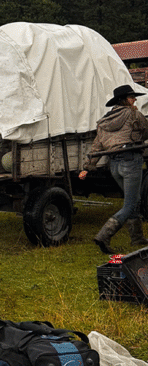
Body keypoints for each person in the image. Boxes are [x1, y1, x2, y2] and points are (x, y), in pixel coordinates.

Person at [79, 84, 148, 253]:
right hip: (131, 161)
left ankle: (137, 238)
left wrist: (88, 167)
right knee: (130, 204)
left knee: (134, 200)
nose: (135, 100)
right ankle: (104, 236)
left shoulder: (104, 121)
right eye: (132, 97)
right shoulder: (134, 114)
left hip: (114, 165)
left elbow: (96, 146)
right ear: (124, 100)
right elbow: (146, 133)